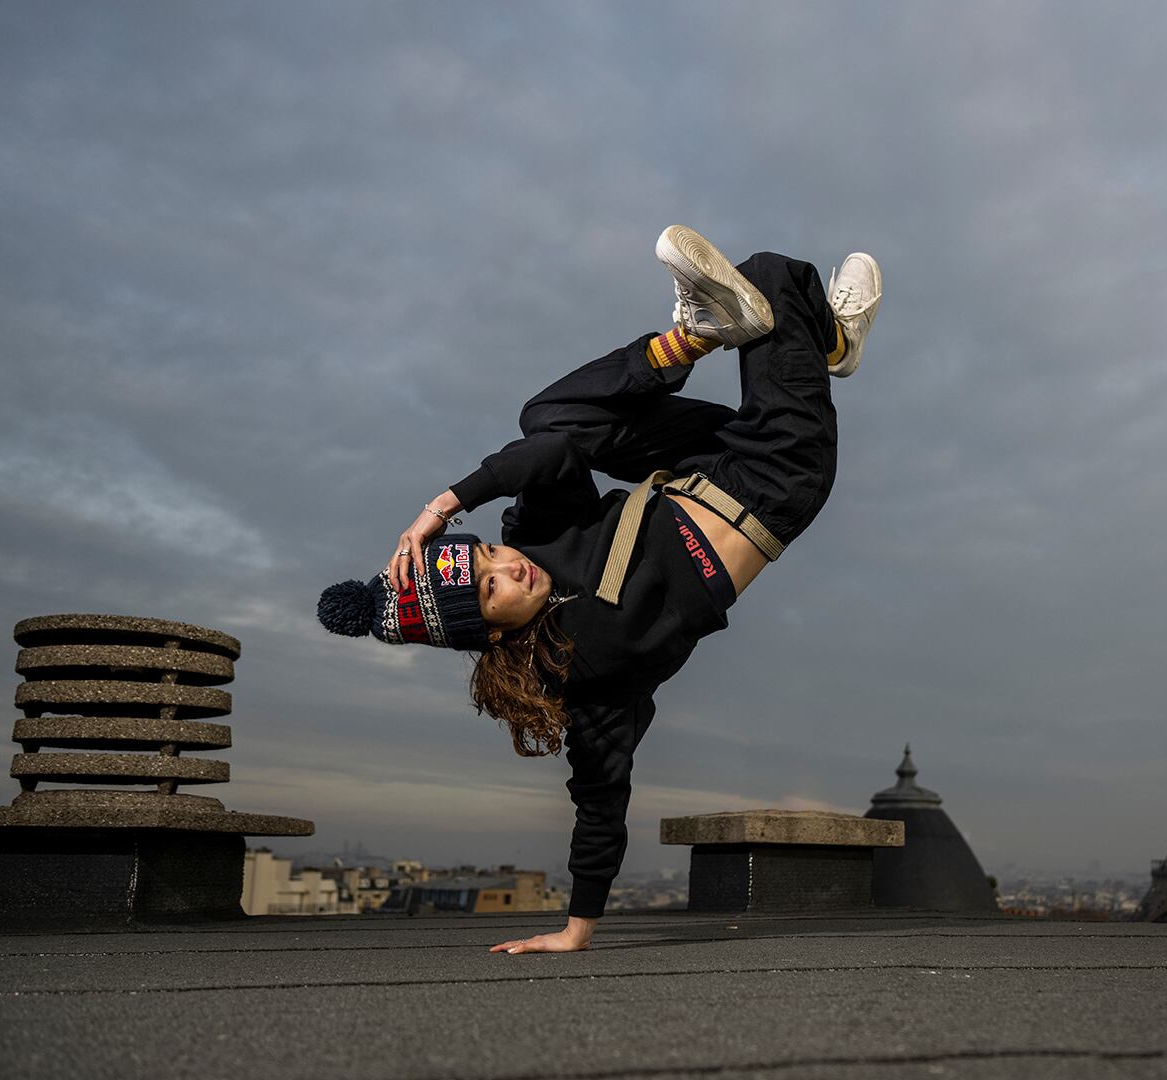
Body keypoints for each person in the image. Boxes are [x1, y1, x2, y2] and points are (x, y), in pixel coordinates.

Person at [316, 226, 881, 954]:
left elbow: (551, 452)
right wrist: (576, 929)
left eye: (489, 555)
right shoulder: (580, 673)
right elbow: (600, 799)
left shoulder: (533, 540)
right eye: (491, 590)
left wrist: (447, 505)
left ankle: (706, 339)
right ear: (492, 632)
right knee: (776, 274)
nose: (510, 568)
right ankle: (831, 343)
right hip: (775, 479)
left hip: (700, 461)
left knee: (545, 420)